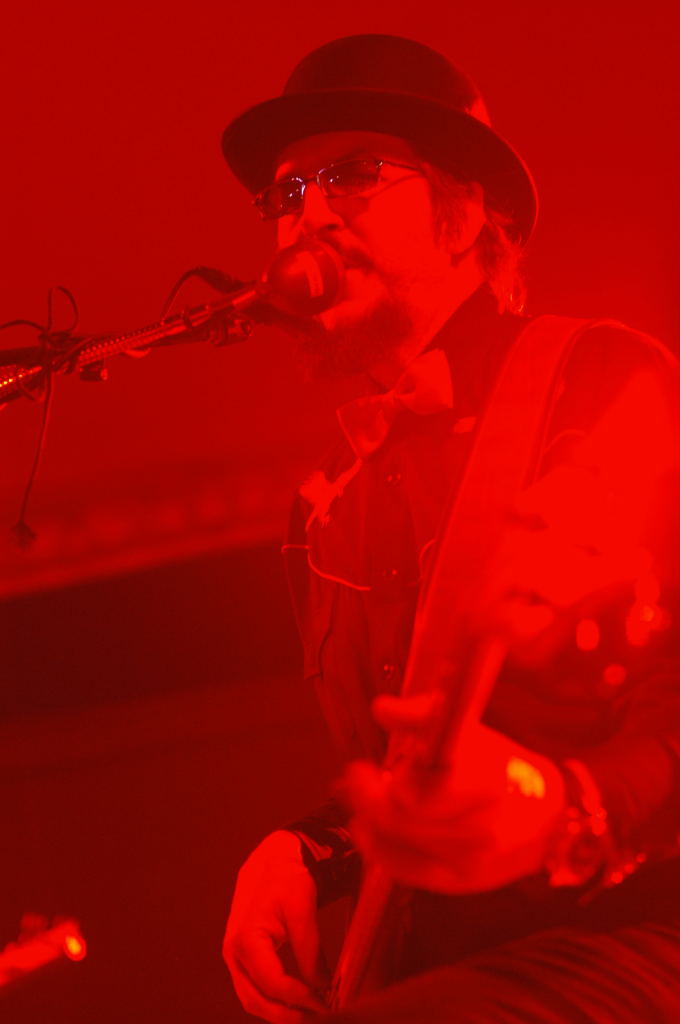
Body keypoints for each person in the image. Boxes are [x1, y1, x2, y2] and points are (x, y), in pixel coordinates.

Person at [220, 34, 680, 1023]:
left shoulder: (595, 379)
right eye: (286, 191)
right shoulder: (323, 506)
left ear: (464, 212)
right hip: (445, 969)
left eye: (351, 173)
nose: (308, 214)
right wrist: (302, 850)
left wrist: (565, 805)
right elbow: (412, 765)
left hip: (636, 937)